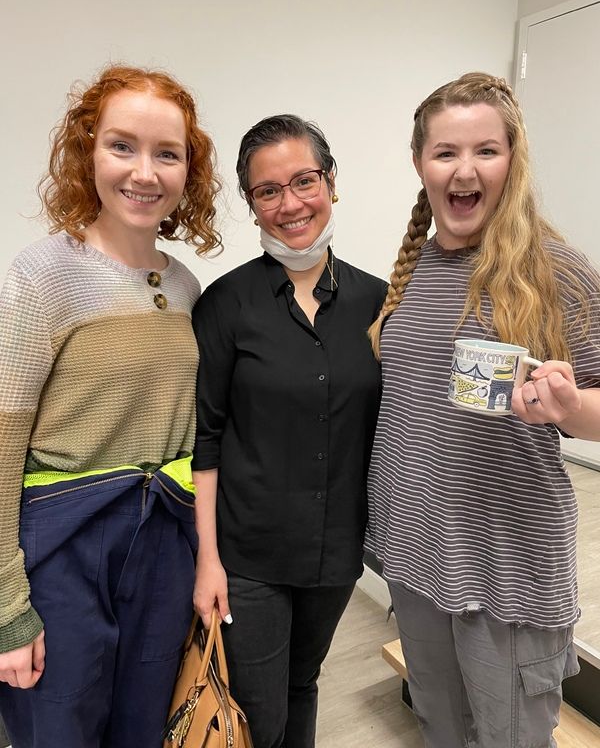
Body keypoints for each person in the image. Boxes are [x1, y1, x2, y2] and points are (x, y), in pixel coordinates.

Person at [366, 71, 600, 748]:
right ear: (420, 164)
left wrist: (568, 407)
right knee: (439, 727)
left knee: (509, 739)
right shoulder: (413, 273)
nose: (464, 170)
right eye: (445, 153)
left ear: (512, 159)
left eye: (486, 151)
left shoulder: (554, 270)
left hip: (506, 569)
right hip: (418, 558)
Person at [0, 64, 220, 748]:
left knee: (142, 725)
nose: (144, 172)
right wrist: (8, 608)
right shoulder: (43, 276)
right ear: (87, 152)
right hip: (60, 547)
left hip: (163, 545)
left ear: (190, 170)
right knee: (58, 727)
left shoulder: (186, 288)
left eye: (168, 153)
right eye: (122, 146)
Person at [191, 114, 386, 748]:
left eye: (303, 181)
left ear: (331, 182)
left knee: (304, 682)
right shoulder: (225, 305)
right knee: (257, 710)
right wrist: (208, 560)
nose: (290, 204)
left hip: (335, 550)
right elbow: (208, 440)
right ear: (251, 205)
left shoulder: (380, 303)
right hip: (249, 556)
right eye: (267, 191)